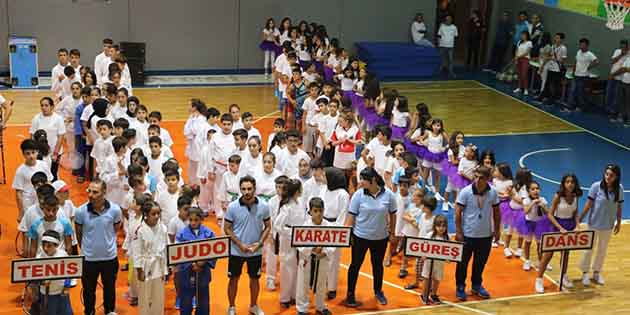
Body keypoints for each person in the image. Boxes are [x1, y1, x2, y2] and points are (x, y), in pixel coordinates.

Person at [345, 168, 397, 307]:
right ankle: (350, 294)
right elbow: (351, 216)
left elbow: (393, 214)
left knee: (377, 266)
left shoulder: (389, 195)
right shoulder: (358, 195)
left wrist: (392, 233)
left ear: (373, 180)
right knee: (355, 265)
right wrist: (346, 234)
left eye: (363, 179)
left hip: (381, 238)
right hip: (360, 237)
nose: (360, 182)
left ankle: (378, 291)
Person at [74, 179, 122, 315]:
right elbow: (79, 234)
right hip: (89, 259)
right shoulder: (80, 212)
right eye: (89, 191)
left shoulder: (115, 210)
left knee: (110, 290)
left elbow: (116, 228)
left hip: (109, 257)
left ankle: (109, 311)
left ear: (104, 193)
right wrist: (86, 249)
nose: (90, 195)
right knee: (88, 292)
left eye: (95, 192)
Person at [224, 176, 270, 315]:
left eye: (249, 189)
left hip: (255, 251)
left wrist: (260, 243)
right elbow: (227, 228)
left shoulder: (264, 206)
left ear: (254, 189)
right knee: (233, 279)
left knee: (254, 279)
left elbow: (268, 226)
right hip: (236, 251)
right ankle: (231, 307)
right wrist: (239, 244)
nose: (246, 192)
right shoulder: (232, 207)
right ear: (240, 189)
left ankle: (254, 306)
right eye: (243, 189)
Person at [454, 166, 501, 301]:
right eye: (476, 176)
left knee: (480, 263)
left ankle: (476, 285)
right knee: (462, 263)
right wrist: (458, 231)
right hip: (468, 235)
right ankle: (460, 286)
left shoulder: (493, 193)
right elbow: (458, 212)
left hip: (485, 235)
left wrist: (497, 230)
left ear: (488, 179)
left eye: (481, 178)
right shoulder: (466, 192)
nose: (477, 180)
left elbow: (497, 212)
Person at [535, 174, 582, 292]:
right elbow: (550, 214)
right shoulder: (558, 196)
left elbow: (576, 212)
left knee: (565, 253)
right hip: (556, 225)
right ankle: (539, 279)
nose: (570, 184)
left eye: (572, 182)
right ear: (563, 184)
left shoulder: (576, 196)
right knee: (548, 254)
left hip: (569, 226)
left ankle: (563, 276)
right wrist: (559, 228)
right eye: (567, 182)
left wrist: (577, 225)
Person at [579, 164, 623, 286]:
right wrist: (579, 219)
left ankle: (597, 272)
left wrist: (618, 222)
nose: (608, 177)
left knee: (602, 250)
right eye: (606, 174)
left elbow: (619, 206)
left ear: (616, 177)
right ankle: (585, 273)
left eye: (611, 175)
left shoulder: (619, 189)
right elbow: (588, 205)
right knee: (588, 250)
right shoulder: (596, 186)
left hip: (608, 225)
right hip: (593, 224)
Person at [176, 207, 218, 315]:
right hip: (186, 273)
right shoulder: (181, 234)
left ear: (201, 219)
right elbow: (177, 253)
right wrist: (191, 263)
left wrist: (203, 262)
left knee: (203, 302)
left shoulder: (209, 233)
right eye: (191, 220)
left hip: (203, 272)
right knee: (185, 301)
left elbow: (214, 251)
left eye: (196, 220)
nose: (193, 222)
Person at [295, 197, 334, 315]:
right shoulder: (304, 226)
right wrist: (312, 249)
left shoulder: (329, 225)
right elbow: (299, 245)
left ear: (324, 210)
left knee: (321, 283)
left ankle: (320, 306)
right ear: (310, 211)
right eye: (315, 211)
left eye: (320, 211)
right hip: (307, 259)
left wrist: (325, 252)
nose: (318, 214)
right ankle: (302, 308)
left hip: (322, 258)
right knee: (303, 284)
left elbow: (333, 243)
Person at [274, 178, 306, 308]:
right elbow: (277, 225)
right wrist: (292, 234)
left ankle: (294, 295)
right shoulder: (286, 207)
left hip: (300, 239)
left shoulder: (300, 203)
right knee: (287, 267)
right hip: (288, 240)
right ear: (297, 191)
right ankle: (285, 297)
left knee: (298, 268)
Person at [132, 200, 168, 315]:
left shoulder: (163, 228)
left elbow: (166, 247)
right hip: (145, 266)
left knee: (159, 295)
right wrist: (139, 270)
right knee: (145, 296)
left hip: (159, 264)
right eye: (153, 214)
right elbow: (137, 252)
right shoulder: (140, 230)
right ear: (146, 215)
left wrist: (167, 267)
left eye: (158, 213)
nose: (157, 216)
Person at [13, 139, 53, 222]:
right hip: (28, 204)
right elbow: (19, 193)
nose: (31, 156)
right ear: (23, 154)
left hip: (43, 203)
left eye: (33, 152)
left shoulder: (43, 165)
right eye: (28, 153)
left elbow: (49, 182)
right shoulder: (20, 170)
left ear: (37, 152)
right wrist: (21, 212)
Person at [35, 230, 74, 315]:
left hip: (62, 293)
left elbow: (69, 273)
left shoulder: (63, 255)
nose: (45, 248)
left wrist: (67, 286)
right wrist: (42, 282)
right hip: (47, 295)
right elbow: (35, 278)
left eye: (49, 246)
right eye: (43, 245)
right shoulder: (39, 258)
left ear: (56, 245)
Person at [30, 97, 66, 181]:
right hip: (40, 153)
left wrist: (55, 153)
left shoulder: (58, 119)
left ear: (52, 107)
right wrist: (33, 152)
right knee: (40, 174)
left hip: (54, 152)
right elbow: (32, 136)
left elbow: (60, 137)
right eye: (42, 105)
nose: (43, 108)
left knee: (53, 174)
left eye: (46, 105)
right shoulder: (36, 118)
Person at [420, 214, 449, 305]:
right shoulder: (429, 236)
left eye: (443, 226)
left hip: (439, 263)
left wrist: (448, 258)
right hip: (429, 262)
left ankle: (433, 294)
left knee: (437, 279)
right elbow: (423, 246)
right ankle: (424, 295)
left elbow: (449, 249)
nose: (441, 228)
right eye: (439, 226)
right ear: (434, 226)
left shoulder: (446, 238)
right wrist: (423, 255)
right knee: (427, 278)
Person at [565, 38, 599, 112]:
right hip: (576, 75)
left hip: (583, 76)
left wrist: (589, 67)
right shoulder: (578, 52)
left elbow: (596, 61)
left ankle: (581, 107)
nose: (581, 46)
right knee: (572, 91)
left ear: (587, 45)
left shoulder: (590, 54)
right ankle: (569, 106)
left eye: (583, 45)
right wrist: (573, 71)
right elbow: (576, 62)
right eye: (580, 44)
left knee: (581, 93)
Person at [609, 41, 630, 126]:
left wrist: (613, 74)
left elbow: (624, 69)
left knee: (627, 102)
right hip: (624, 81)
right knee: (622, 100)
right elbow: (623, 68)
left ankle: (627, 120)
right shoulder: (627, 57)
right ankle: (620, 116)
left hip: (627, 82)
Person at [513, 31, 532, 96]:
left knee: (524, 74)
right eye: (521, 35)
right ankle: (519, 87)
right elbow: (517, 50)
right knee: (519, 74)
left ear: (527, 36)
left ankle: (526, 89)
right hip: (518, 59)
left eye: (524, 35)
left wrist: (519, 56)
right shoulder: (519, 42)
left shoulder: (529, 43)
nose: (522, 36)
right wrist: (516, 57)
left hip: (525, 59)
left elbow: (527, 52)